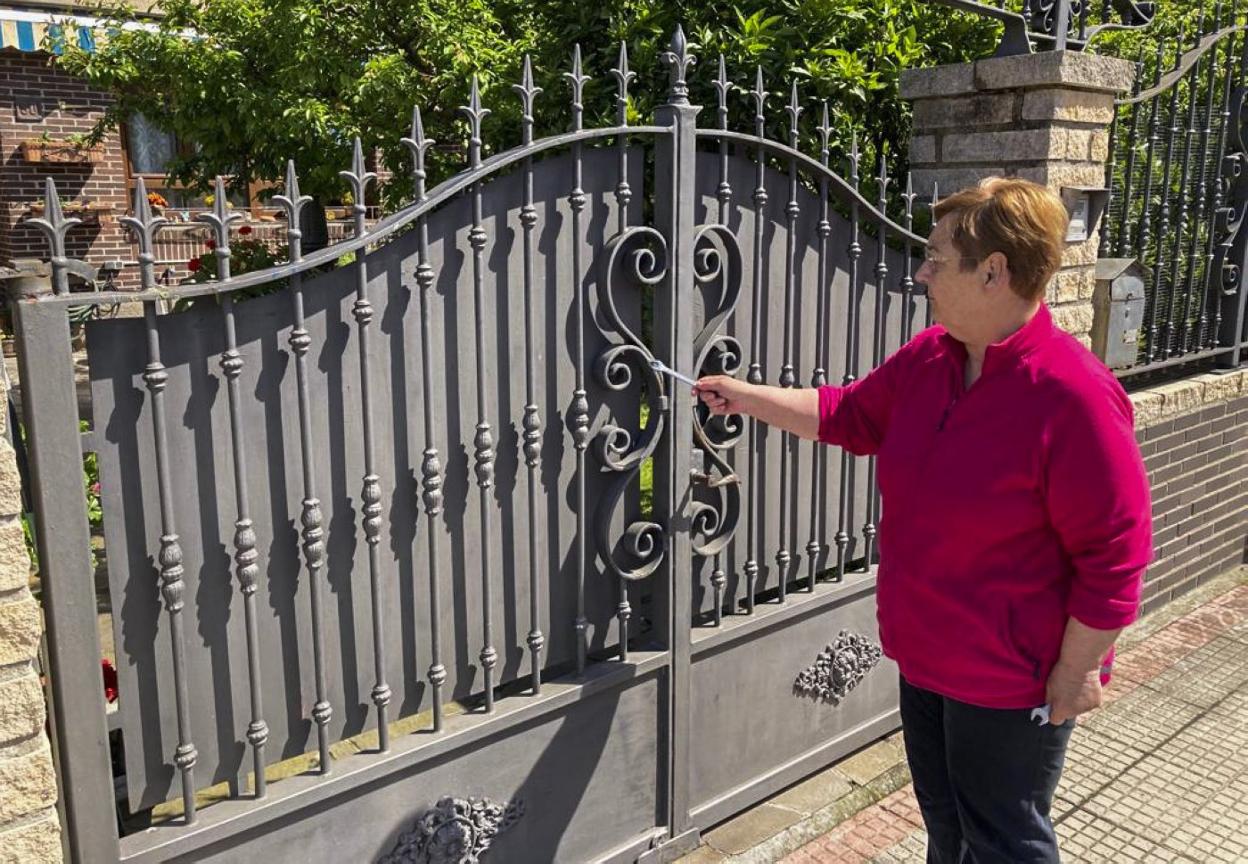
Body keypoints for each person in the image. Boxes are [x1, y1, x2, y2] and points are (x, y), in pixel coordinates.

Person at [693, 177, 1152, 864]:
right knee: (947, 831)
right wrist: (743, 397)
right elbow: (849, 415)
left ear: (993, 271)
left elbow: (1116, 557)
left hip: (1009, 681)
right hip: (928, 660)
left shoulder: (1072, 395)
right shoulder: (932, 359)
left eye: (938, 258)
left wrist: (1077, 671)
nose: (922, 271)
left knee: (1004, 841)